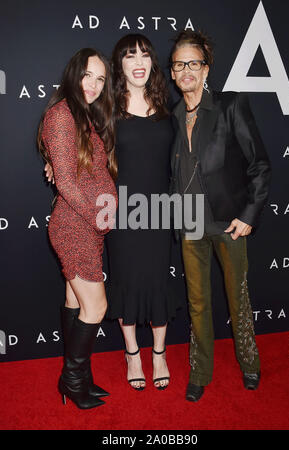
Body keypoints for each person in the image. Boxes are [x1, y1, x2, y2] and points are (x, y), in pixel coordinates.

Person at [169, 30, 271, 401]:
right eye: (179, 64)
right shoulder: (174, 115)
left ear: (206, 68)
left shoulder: (229, 105)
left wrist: (248, 214)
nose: (186, 70)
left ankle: (250, 364)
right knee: (197, 302)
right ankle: (200, 371)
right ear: (173, 72)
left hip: (229, 222)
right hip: (190, 223)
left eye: (193, 62)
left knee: (238, 298)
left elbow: (259, 164)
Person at [38, 48, 118, 409]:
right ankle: (71, 380)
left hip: (86, 225)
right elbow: (68, 185)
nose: (94, 84)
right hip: (75, 225)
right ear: (74, 74)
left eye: (101, 79)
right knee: (96, 307)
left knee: (75, 301)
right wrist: (97, 219)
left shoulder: (82, 115)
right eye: (88, 75)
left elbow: (74, 168)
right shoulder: (61, 115)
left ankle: (78, 378)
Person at [105, 34, 182, 391]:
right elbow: (76, 143)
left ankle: (160, 353)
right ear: (119, 65)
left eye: (145, 54)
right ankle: (133, 354)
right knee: (126, 282)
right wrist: (54, 164)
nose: (139, 61)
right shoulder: (106, 108)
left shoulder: (168, 106)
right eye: (130, 55)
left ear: (153, 62)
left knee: (156, 281)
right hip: (120, 212)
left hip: (160, 211)